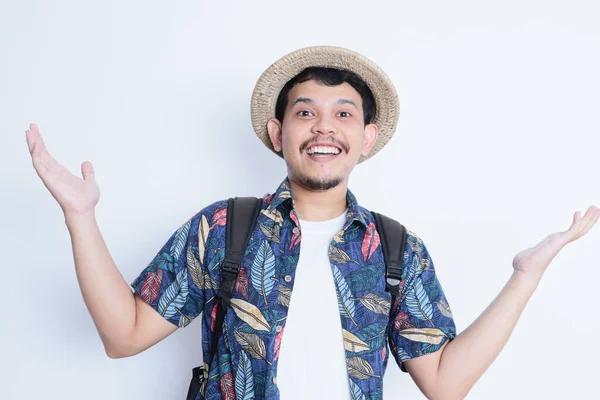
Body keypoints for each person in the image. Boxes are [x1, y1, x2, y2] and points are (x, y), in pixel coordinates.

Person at [25, 46, 599, 400]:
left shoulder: (397, 250)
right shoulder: (226, 229)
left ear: (365, 139)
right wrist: (81, 216)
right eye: (305, 113)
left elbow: (445, 384)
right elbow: (122, 337)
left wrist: (526, 274)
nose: (324, 128)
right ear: (279, 134)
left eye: (343, 115)